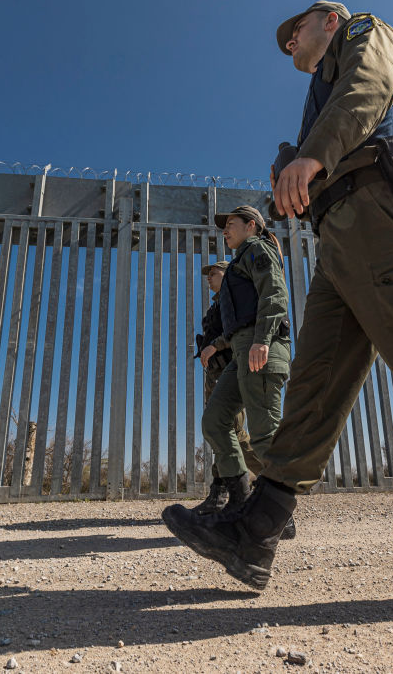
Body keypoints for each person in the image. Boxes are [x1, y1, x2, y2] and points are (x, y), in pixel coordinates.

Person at [162, 1, 393, 611]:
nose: (290, 44)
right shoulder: (320, 86)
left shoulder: (368, 33)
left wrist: (314, 156)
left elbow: (369, 87)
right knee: (315, 384)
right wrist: (303, 175)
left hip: (381, 219)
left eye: (297, 31)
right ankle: (255, 531)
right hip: (339, 238)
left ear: (331, 20)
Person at [162, 206, 296, 538]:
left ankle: (279, 516)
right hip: (241, 351)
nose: (225, 230)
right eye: (224, 227)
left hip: (259, 347)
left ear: (252, 225)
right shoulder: (239, 261)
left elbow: (275, 294)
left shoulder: (257, 249)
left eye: (231, 224)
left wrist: (263, 340)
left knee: (264, 434)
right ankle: (239, 504)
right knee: (215, 421)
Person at [193, 259, 263, 514]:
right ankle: (221, 492)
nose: (209, 277)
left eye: (214, 272)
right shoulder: (217, 305)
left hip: (229, 370)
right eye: (208, 273)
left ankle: (275, 477)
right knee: (218, 431)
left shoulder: (235, 298)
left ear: (228, 274)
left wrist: (216, 346)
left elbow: (242, 330)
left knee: (230, 430)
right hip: (215, 373)